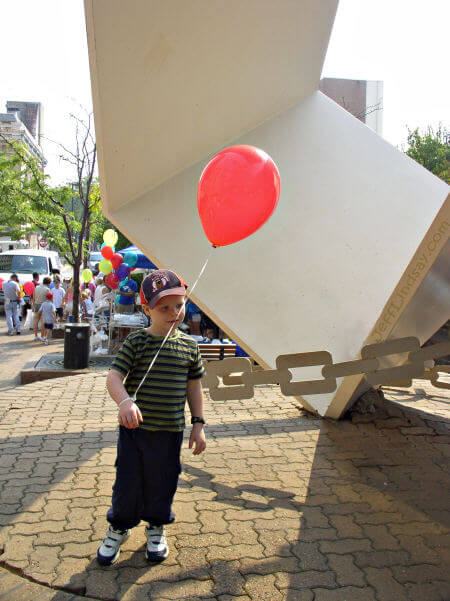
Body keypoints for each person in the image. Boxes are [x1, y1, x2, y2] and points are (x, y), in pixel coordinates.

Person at [97, 269, 206, 567]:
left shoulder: (189, 346)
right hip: (135, 431)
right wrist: (125, 402)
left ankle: (156, 527)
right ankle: (119, 526)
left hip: (170, 431)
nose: (174, 313)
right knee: (128, 482)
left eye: (179, 305)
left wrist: (198, 424)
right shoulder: (137, 343)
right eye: (164, 307)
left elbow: (194, 386)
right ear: (146, 309)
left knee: (162, 481)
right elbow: (114, 377)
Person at [32, 276, 51, 341]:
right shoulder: (47, 289)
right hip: (43, 305)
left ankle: (36, 336)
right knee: (43, 321)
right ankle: (43, 336)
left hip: (36, 304)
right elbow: (49, 299)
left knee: (36, 320)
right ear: (48, 283)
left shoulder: (36, 287)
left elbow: (33, 298)